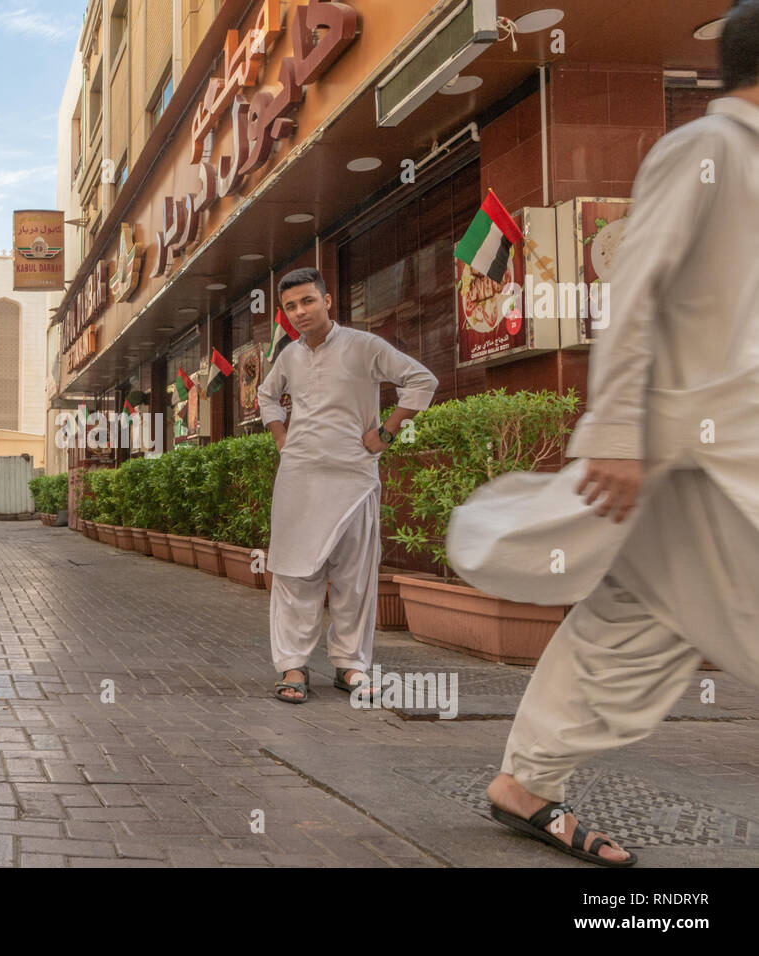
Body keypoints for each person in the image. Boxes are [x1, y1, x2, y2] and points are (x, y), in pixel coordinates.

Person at [447, 0, 759, 867]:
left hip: (718, 458)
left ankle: (524, 782)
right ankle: (527, 779)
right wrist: (616, 429)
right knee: (655, 618)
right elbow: (634, 288)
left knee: (636, 621)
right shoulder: (706, 149)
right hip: (699, 456)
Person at [257, 267, 437, 704]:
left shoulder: (363, 346)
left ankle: (350, 665)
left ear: (328, 300)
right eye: (290, 306)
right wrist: (282, 438)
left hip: (354, 476)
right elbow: (266, 395)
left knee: (353, 575)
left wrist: (386, 433)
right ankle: (293, 665)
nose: (300, 312)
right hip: (299, 478)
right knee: (295, 572)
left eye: (307, 301)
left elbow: (422, 380)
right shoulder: (289, 357)